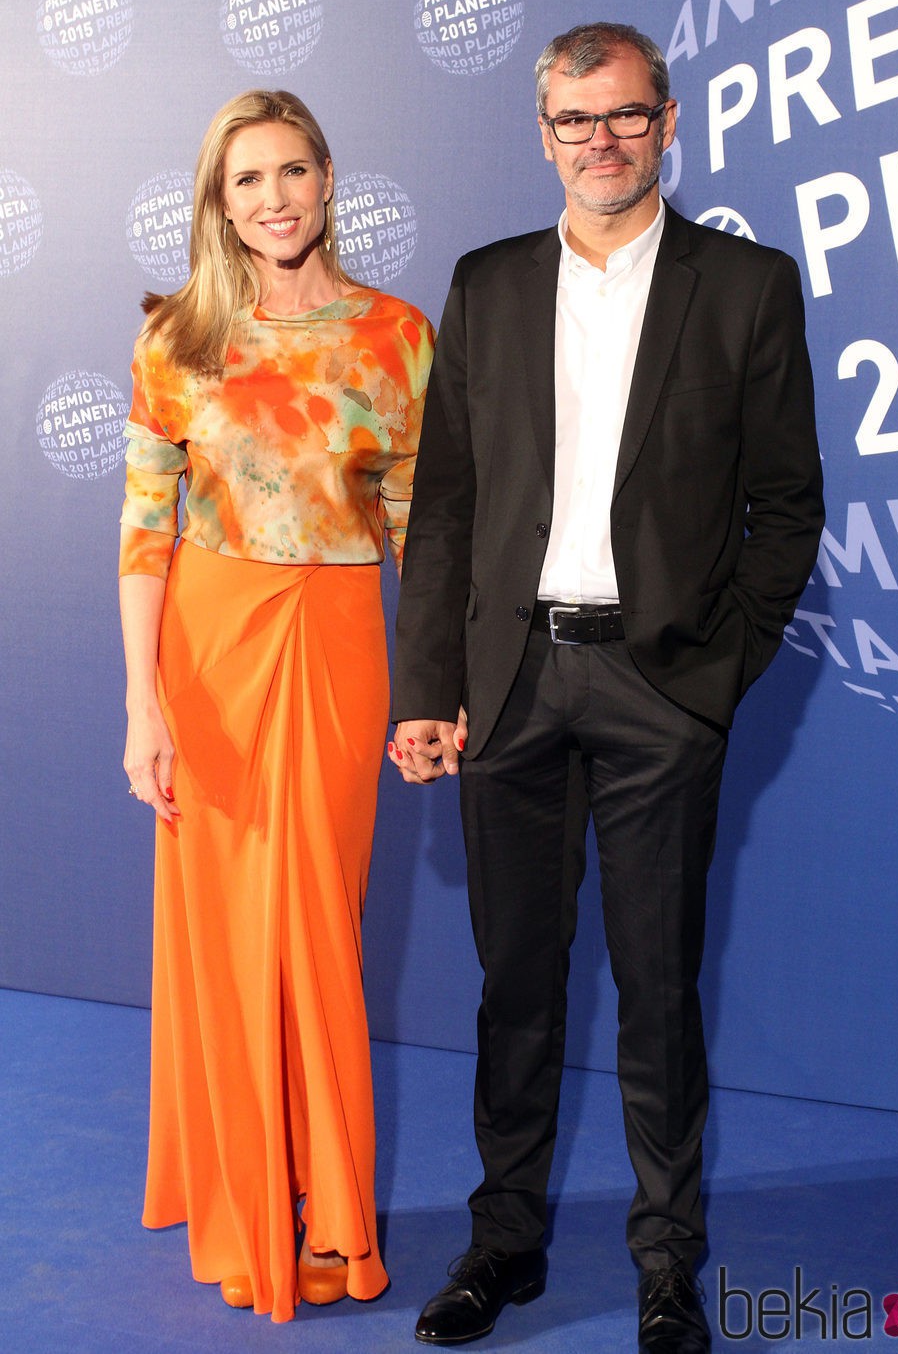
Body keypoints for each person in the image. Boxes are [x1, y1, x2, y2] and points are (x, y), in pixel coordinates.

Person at [388, 23, 824, 1352]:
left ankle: (666, 1259)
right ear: (544, 136)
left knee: (657, 986)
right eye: (576, 121)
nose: (602, 141)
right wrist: (431, 686)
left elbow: (787, 506)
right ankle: (504, 1243)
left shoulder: (745, 286)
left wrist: (711, 678)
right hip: (510, 688)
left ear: (668, 121)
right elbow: (448, 503)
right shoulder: (489, 283)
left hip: (656, 692)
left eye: (625, 116)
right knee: (516, 983)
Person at [119, 89, 433, 1322]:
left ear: (327, 179)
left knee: (314, 930)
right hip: (205, 652)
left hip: (337, 641)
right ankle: (249, 1200)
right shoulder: (174, 340)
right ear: (218, 200)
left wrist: (437, 692)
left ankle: (332, 1217)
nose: (273, 199)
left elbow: (420, 528)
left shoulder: (397, 337)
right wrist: (142, 708)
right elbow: (146, 533)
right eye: (246, 180)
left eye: (292, 172)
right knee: (224, 941)